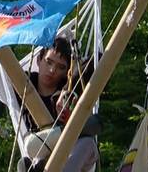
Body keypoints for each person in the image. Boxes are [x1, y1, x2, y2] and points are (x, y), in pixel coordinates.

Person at [18, 38, 99, 172]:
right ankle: (72, 130)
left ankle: (73, 131)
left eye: (60, 67)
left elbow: (98, 59)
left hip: (75, 154)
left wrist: (68, 89)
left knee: (88, 143)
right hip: (42, 154)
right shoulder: (23, 85)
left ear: (67, 71)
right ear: (39, 60)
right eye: (48, 62)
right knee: (29, 152)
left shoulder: (69, 89)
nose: (52, 70)